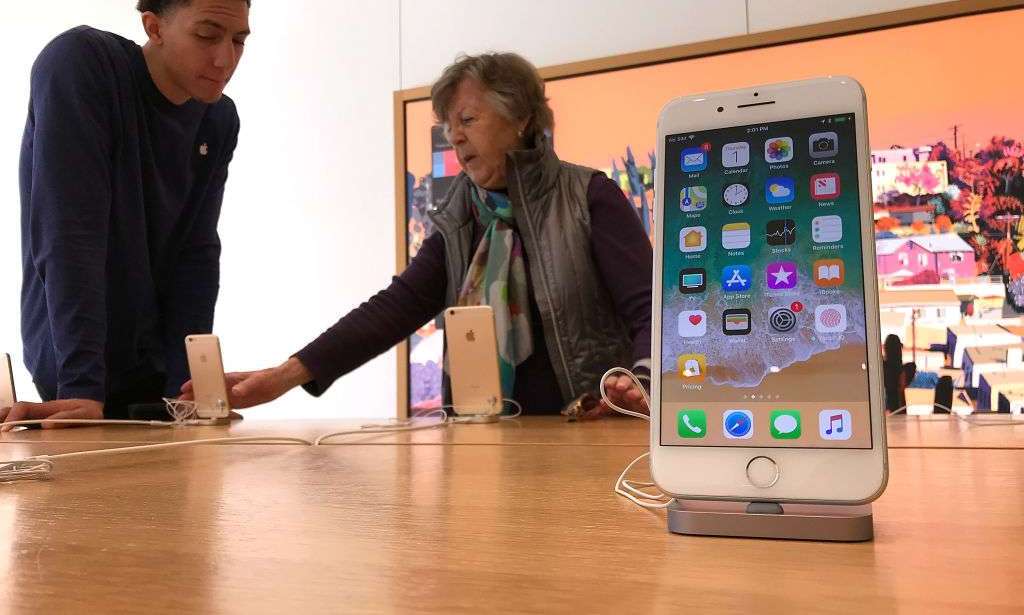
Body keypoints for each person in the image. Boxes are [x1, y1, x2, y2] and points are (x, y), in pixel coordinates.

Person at [183, 52, 652, 418]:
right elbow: (395, 307)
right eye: (449, 126)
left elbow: (651, 309)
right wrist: (280, 377)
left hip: (588, 432)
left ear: (521, 119)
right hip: (483, 441)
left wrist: (641, 383)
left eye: (468, 120)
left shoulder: (587, 195)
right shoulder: (460, 216)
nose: (456, 137)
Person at [2, 0, 250, 429]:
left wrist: (186, 392)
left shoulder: (219, 118)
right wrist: (80, 385)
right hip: (75, 367)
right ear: (154, 27)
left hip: (155, 371)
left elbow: (196, 254)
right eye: (207, 35)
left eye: (239, 40)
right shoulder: (81, 63)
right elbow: (70, 233)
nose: (225, 59)